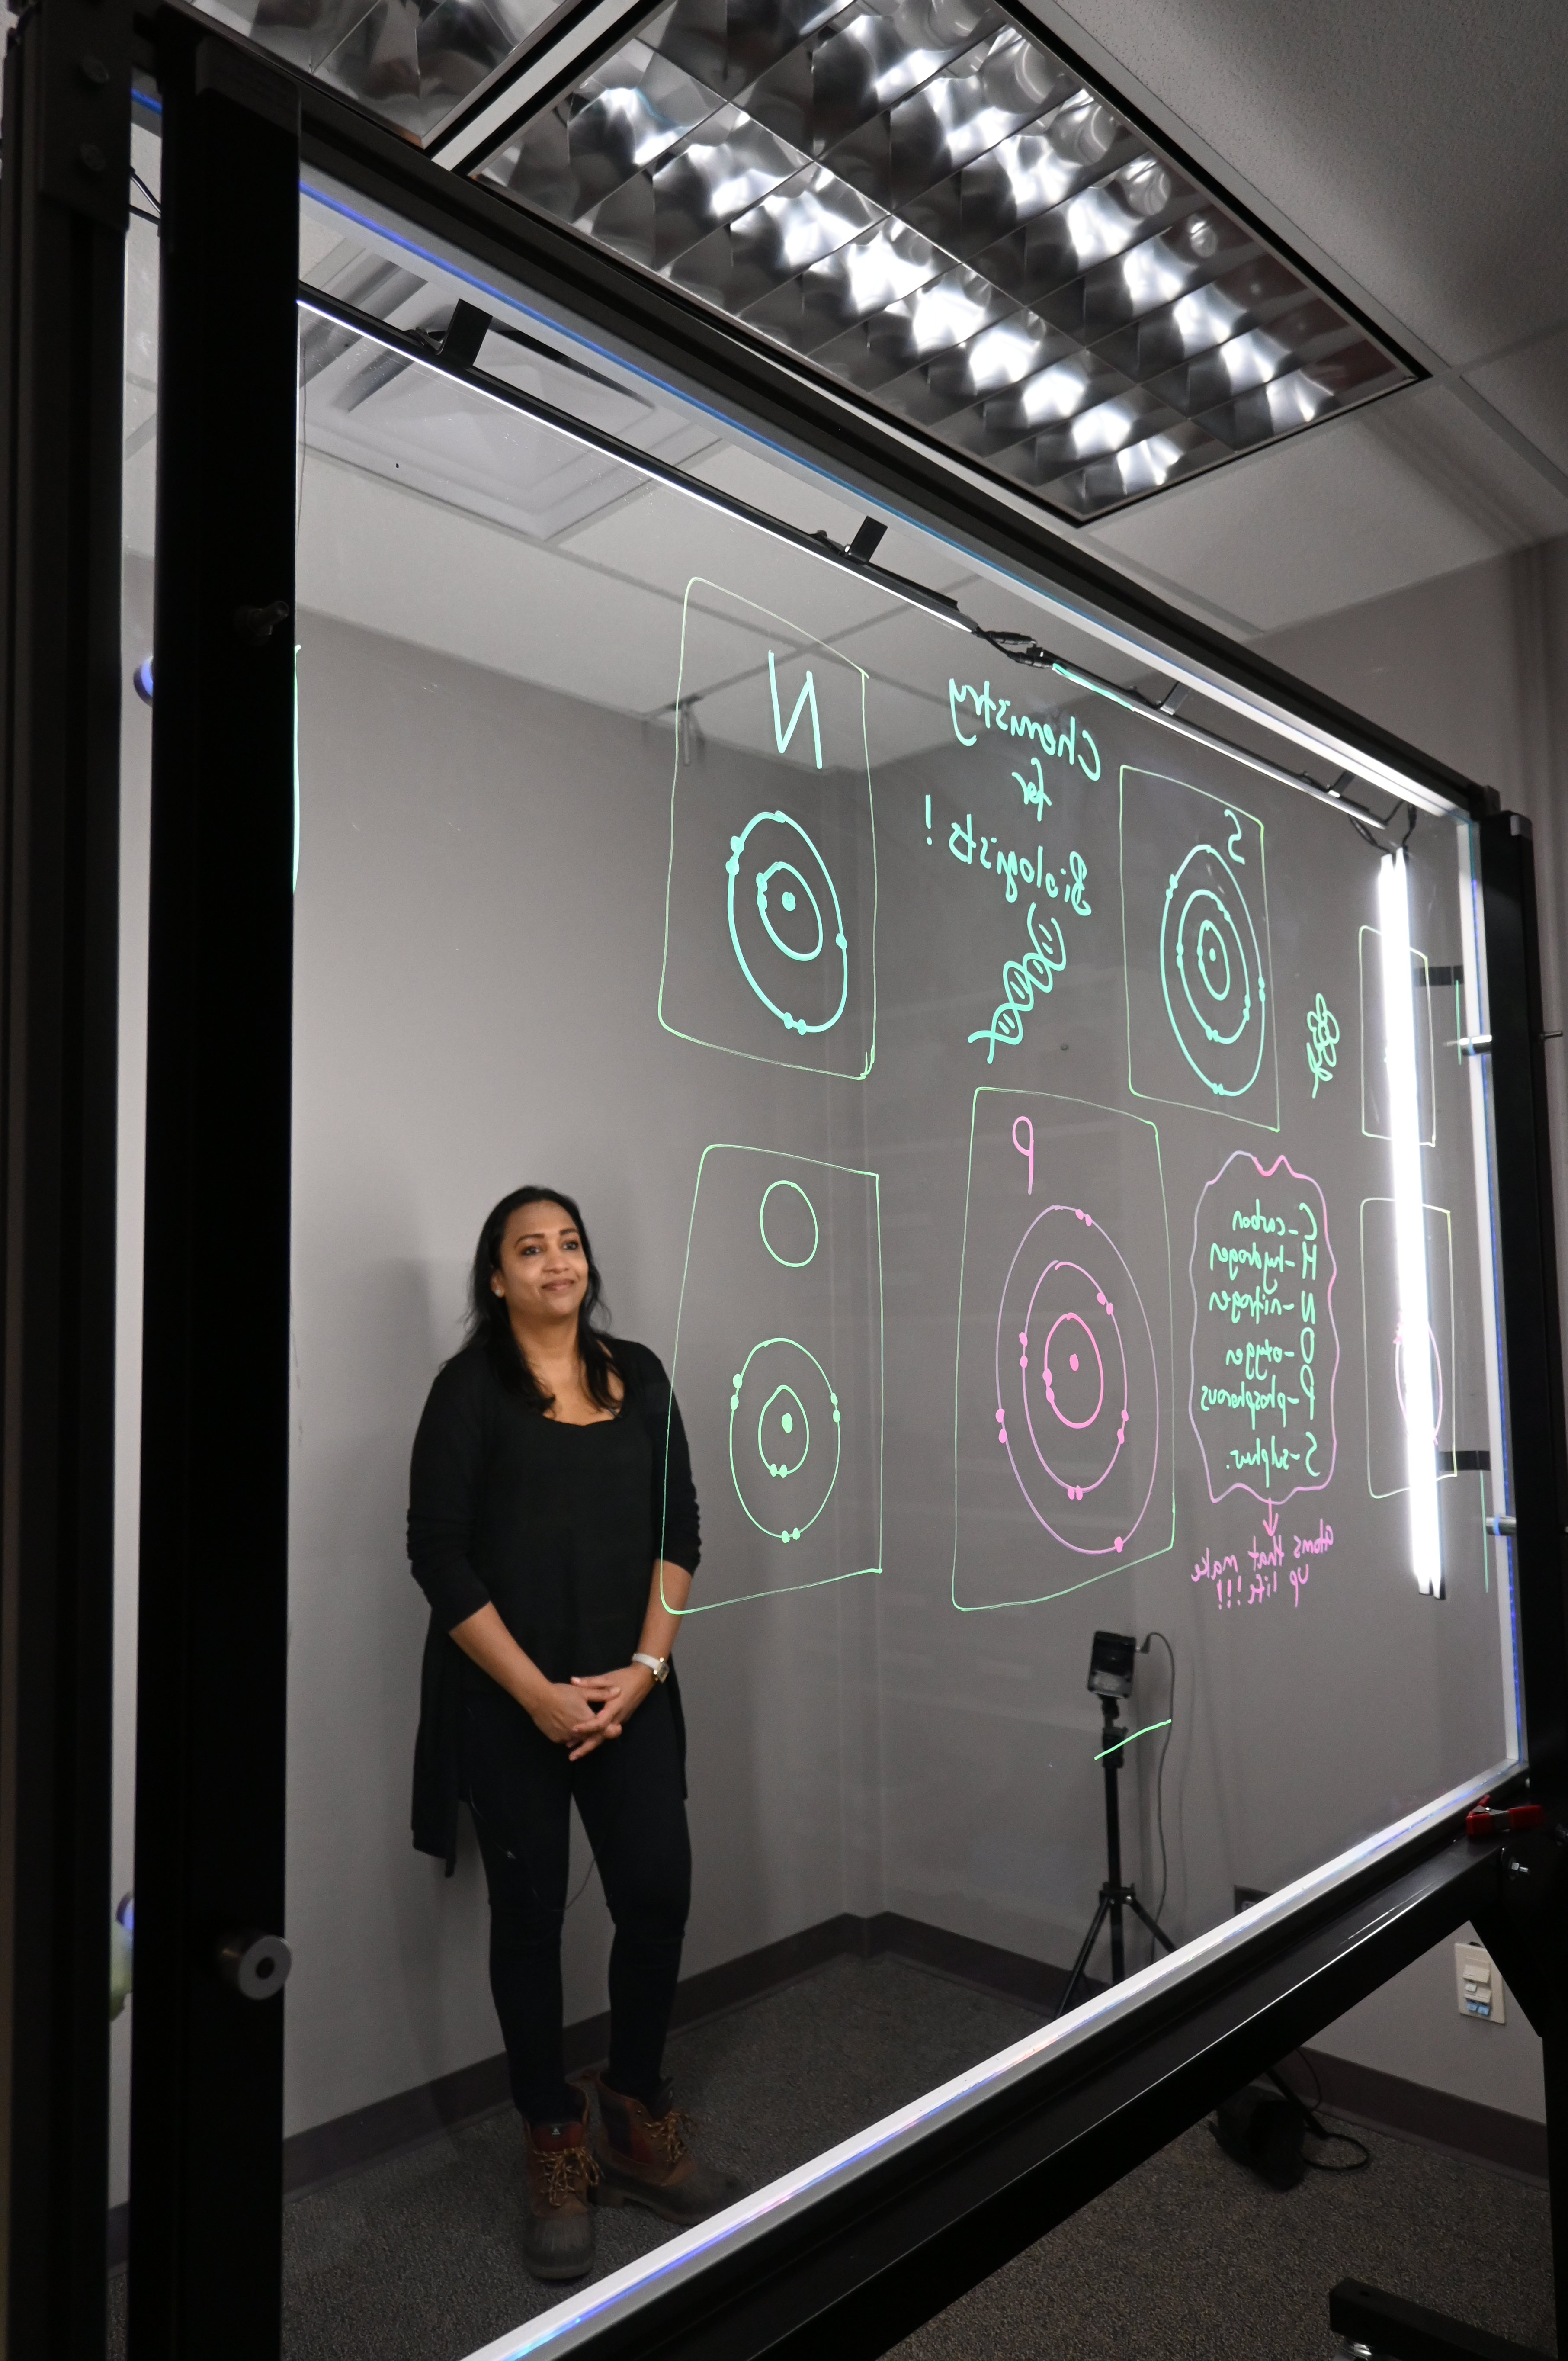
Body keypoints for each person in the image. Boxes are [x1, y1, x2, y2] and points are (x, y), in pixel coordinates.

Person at [407, 1185, 735, 2279]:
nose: (557, 1261)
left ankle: (635, 2111)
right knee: (530, 1922)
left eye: (570, 1243)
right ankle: (553, 2135)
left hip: (630, 1692)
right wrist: (540, 1695)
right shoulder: (467, 1394)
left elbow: (680, 1525)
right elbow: (439, 1559)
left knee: (657, 1890)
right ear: (495, 1278)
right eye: (529, 1248)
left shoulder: (638, 1375)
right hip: (508, 1705)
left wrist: (644, 1671)